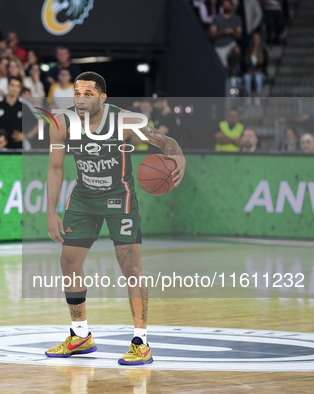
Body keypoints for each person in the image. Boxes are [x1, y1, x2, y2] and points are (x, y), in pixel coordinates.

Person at [45, 71, 186, 365]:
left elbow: (164, 141)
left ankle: (141, 341)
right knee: (69, 262)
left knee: (131, 266)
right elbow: (56, 168)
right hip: (83, 198)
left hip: (119, 199)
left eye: (88, 94)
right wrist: (51, 211)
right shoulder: (61, 122)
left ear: (102, 97)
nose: (81, 99)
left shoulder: (126, 121)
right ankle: (80, 335)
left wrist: (178, 155)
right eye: (77, 93)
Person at [210, 0, 243, 72]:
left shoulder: (236, 19)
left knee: (237, 50)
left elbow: (239, 35)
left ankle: (233, 69)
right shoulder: (217, 19)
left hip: (231, 43)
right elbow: (212, 34)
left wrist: (232, 33)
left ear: (232, 7)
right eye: (225, 5)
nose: (226, 6)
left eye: (228, 5)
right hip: (219, 45)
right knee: (221, 68)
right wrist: (223, 32)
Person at [243, 33, 268, 101]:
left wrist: (258, 71)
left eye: (257, 39)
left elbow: (265, 65)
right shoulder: (248, 51)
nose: (256, 41)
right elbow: (244, 63)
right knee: (246, 77)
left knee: (258, 78)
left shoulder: (263, 51)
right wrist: (249, 71)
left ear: (260, 40)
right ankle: (248, 95)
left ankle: (258, 95)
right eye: (254, 39)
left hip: (260, 72)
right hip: (249, 72)